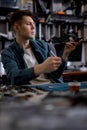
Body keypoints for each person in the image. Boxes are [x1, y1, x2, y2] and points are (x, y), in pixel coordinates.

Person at [1, 10, 79, 85]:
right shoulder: (8, 54)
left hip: (51, 87)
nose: (33, 27)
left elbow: (56, 75)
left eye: (33, 24)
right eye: (28, 24)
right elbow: (14, 78)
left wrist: (65, 55)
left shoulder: (43, 45)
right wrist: (41, 68)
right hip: (31, 92)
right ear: (16, 27)